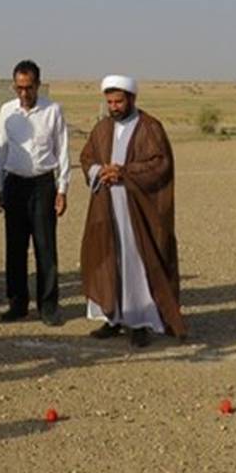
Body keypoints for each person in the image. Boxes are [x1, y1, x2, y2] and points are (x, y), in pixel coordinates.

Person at [79, 75, 186, 347]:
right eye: (110, 102)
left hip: (137, 210)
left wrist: (125, 173)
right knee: (108, 260)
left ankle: (140, 322)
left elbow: (160, 164)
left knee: (135, 261)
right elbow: (87, 157)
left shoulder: (149, 127)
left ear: (132, 99)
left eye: (118, 101)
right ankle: (112, 318)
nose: (114, 107)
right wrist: (98, 170)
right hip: (106, 206)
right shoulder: (102, 128)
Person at [0, 60, 71, 327]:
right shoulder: (6, 111)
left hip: (43, 185)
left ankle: (48, 307)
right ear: (14, 86)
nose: (24, 93)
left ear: (38, 84)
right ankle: (17, 304)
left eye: (29, 87)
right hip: (14, 185)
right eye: (19, 88)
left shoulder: (53, 110)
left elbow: (62, 151)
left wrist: (63, 189)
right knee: (15, 247)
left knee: (45, 247)